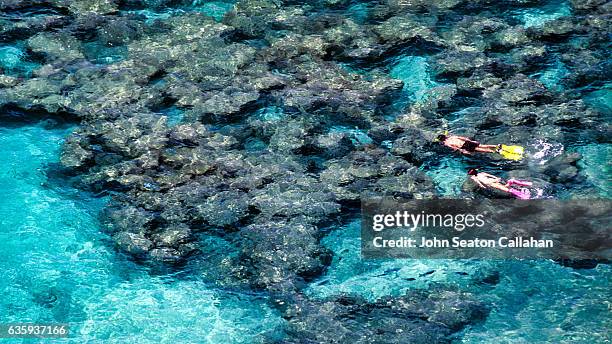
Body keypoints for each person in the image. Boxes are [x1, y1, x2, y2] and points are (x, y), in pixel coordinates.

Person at [467, 169, 532, 199]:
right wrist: (496, 178)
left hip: (490, 183)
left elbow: (479, 183)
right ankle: (513, 182)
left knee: (505, 189)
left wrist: (483, 186)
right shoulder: (482, 173)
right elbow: (490, 175)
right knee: (505, 186)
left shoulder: (473, 178)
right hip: (492, 180)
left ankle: (523, 195)